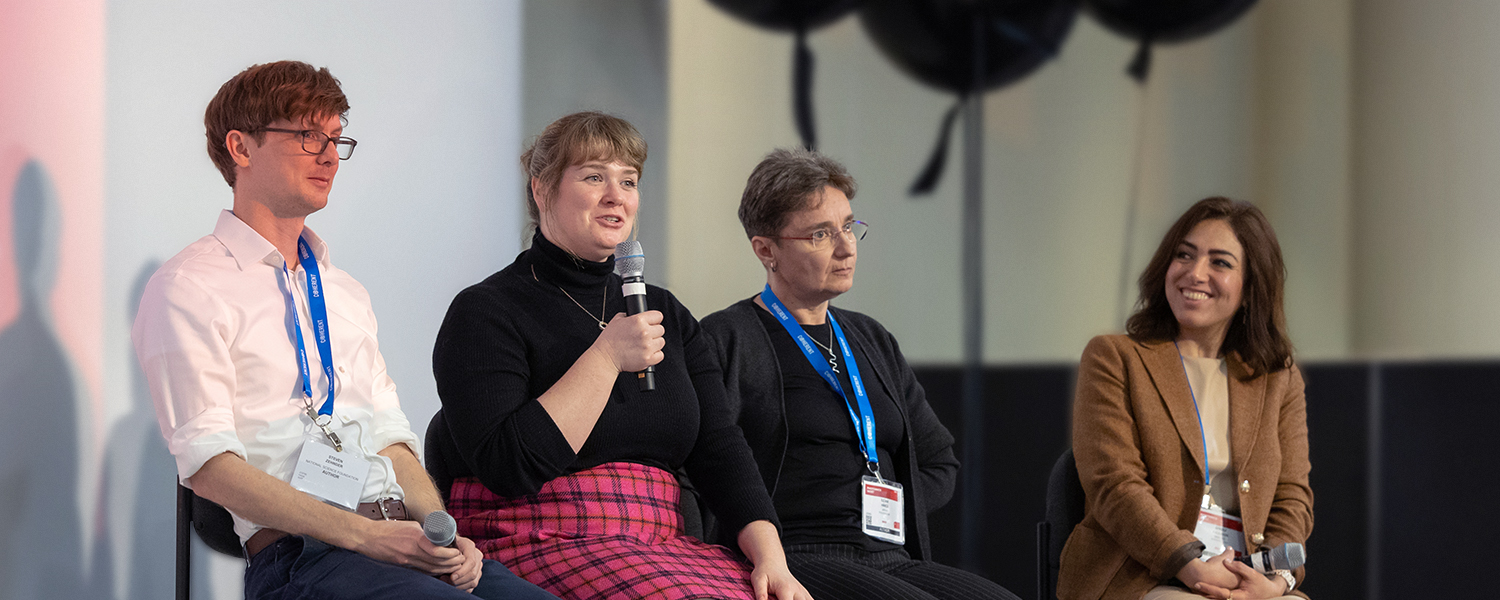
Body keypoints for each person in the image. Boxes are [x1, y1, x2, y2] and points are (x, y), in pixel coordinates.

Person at [132, 61, 554, 600]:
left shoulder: (343, 290)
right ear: (241, 148)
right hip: (304, 559)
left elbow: (392, 442)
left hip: (401, 543)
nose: (329, 155)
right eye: (308, 136)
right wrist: (369, 538)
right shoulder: (189, 286)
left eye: (335, 138)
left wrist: (440, 533)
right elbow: (210, 468)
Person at [430, 111, 810, 600]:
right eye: (593, 176)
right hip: (538, 534)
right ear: (542, 188)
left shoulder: (665, 311)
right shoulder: (485, 310)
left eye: (628, 181)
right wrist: (606, 357)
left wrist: (772, 560)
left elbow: (720, 448)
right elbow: (508, 465)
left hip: (660, 542)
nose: (616, 196)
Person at [700, 147, 1021, 600]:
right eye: (820, 234)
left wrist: (876, 509)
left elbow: (938, 462)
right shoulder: (727, 338)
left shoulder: (870, 338)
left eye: (849, 226)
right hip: (794, 553)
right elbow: (704, 467)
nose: (847, 246)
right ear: (766, 250)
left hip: (889, 554)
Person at [1060, 197, 1313, 600]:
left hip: (1246, 577)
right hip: (1141, 573)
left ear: (1250, 288)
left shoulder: (1277, 377)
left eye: (1220, 262)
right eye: (1184, 255)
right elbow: (1115, 486)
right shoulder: (1115, 357)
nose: (1195, 273)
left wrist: (1276, 580)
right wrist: (1189, 566)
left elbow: (1292, 495)